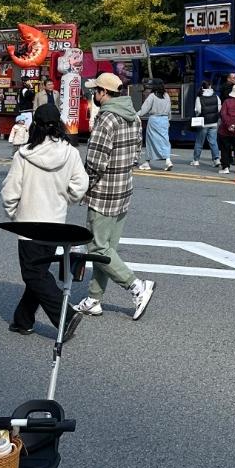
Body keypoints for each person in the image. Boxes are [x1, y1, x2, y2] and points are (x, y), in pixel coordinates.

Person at [0, 103, 88, 339]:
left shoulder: (24, 154)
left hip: (29, 222)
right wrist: (66, 199)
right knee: (37, 271)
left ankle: (65, 316)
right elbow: (80, 185)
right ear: (58, 124)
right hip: (55, 222)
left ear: (35, 126)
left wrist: (13, 213)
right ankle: (23, 320)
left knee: (33, 274)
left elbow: (10, 192)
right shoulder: (70, 153)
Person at [74, 73, 155, 320]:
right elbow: (135, 155)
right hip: (124, 188)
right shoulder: (132, 117)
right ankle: (94, 299)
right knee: (107, 249)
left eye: (95, 91)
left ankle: (136, 286)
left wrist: (83, 186)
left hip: (103, 192)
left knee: (98, 248)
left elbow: (95, 162)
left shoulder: (106, 118)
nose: (93, 95)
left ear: (104, 93)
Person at [138, 79, 173, 171]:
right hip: (165, 120)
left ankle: (147, 163)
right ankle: (168, 160)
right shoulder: (166, 96)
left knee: (150, 142)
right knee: (165, 140)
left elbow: (144, 109)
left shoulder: (152, 96)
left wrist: (136, 114)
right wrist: (168, 120)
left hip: (154, 120)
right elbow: (169, 111)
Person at [190, 79, 222, 168]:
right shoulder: (216, 97)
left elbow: (198, 110)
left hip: (203, 123)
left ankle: (196, 160)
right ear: (210, 86)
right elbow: (219, 109)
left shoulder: (199, 97)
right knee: (213, 142)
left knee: (199, 142)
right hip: (214, 122)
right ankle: (216, 159)